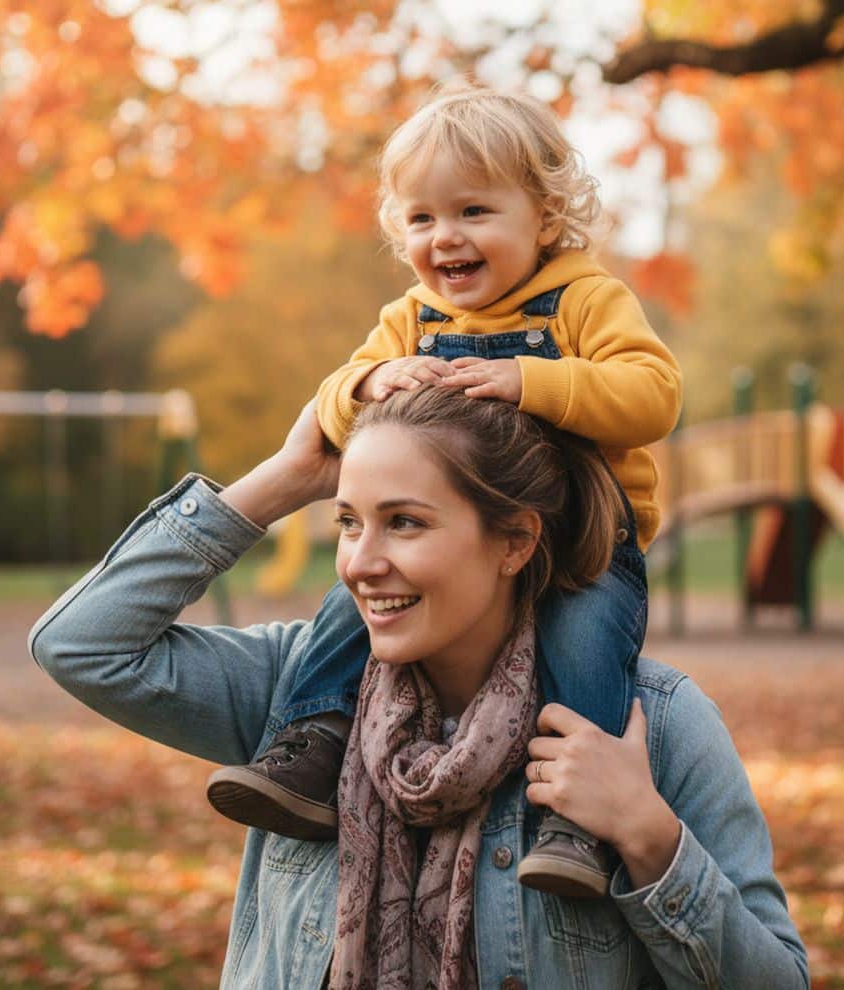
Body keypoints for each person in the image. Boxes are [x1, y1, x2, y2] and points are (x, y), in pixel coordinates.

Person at [29, 388, 808, 989]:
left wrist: (648, 837)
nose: (360, 563)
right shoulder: (302, 704)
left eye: (403, 522)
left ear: (513, 541)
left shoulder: (652, 729)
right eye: (347, 522)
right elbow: (82, 644)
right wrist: (283, 480)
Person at [206, 79, 683, 898]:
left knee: (586, 645)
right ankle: (311, 743)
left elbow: (653, 394)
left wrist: (533, 381)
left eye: (473, 212)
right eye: (422, 218)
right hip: (449, 543)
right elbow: (331, 397)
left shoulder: (583, 299)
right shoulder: (411, 317)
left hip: (584, 543)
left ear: (544, 215)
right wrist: (372, 381)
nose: (445, 238)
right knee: (345, 608)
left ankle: (574, 824)